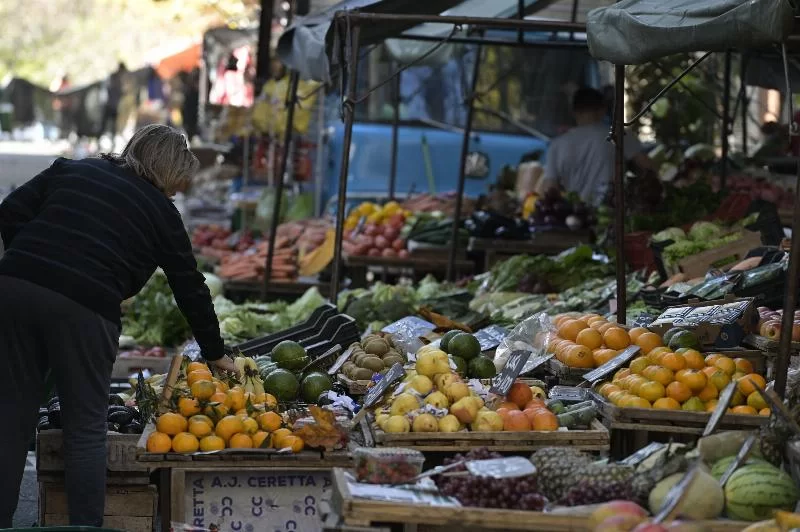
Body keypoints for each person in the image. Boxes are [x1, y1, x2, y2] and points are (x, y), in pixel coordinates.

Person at [0, 125, 235, 527]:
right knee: (85, 428)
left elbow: (9, 212)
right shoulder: (163, 213)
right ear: (169, 172)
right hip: (86, 309)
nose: (175, 194)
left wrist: (34, 263)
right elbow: (190, 287)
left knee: (11, 416)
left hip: (14, 289)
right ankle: (85, 527)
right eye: (176, 184)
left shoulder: (73, 170)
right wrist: (216, 352)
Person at [538, 87, 651, 206]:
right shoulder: (620, 135)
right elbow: (647, 168)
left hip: (576, 216)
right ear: (602, 110)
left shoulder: (557, 145)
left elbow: (549, 189)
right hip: (614, 216)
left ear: (574, 112)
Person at [98, 62, 126, 138]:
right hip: (109, 104)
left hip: (114, 105)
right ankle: (100, 138)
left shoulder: (120, 78)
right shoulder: (113, 77)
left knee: (112, 124)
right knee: (104, 124)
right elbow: (108, 89)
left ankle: (111, 139)